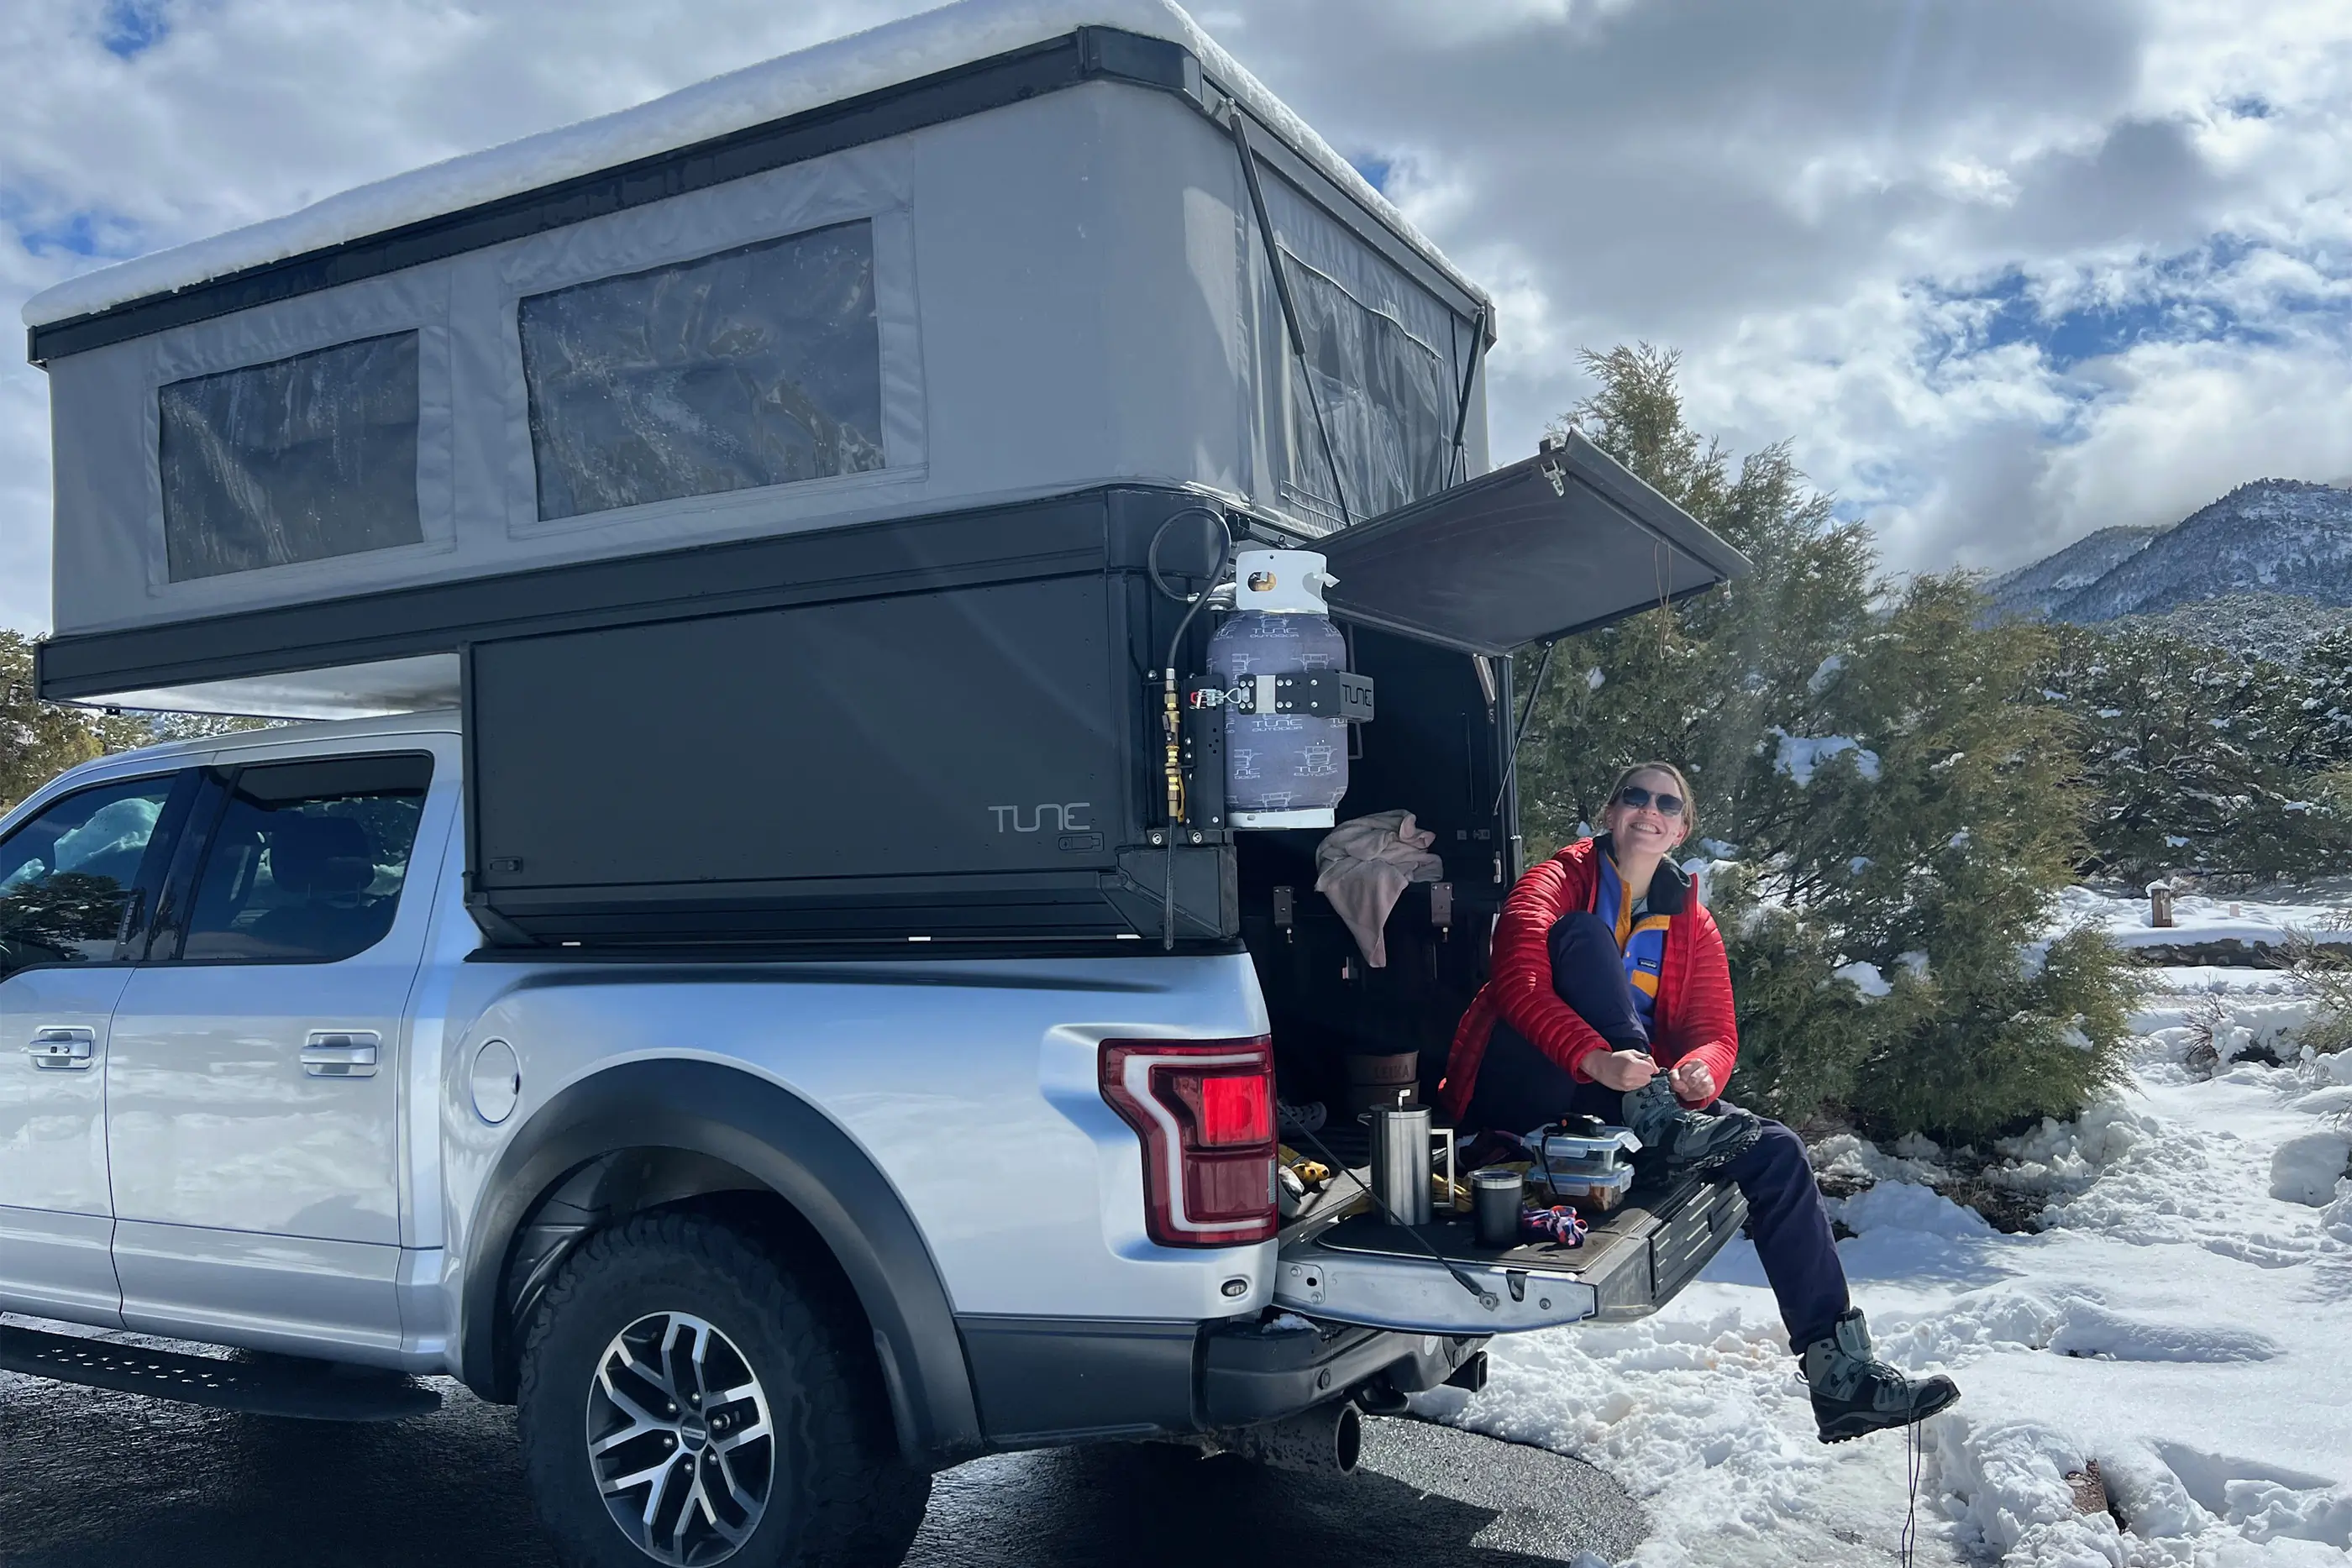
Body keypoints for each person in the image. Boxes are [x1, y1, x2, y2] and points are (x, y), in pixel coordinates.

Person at [1438, 762, 1960, 1445]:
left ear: (1683, 827)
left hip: (1622, 1104)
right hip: (1525, 1086)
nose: (1649, 810)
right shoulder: (1555, 881)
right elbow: (1519, 982)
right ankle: (1660, 1115)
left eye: (1668, 803)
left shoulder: (1693, 922)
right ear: (1610, 807)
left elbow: (1717, 1032)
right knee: (1581, 936)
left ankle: (1841, 1375)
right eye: (1635, 795)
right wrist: (1598, 1057)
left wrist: (1695, 1075)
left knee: (1773, 1147)